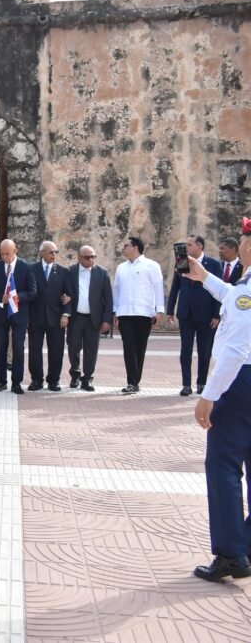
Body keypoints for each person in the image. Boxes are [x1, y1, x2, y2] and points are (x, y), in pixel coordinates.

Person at [185, 217, 251, 581]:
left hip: (240, 385)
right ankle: (246, 543)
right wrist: (205, 277)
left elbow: (236, 350)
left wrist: (209, 396)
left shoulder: (246, 290)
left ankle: (230, 553)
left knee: (223, 466)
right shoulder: (242, 289)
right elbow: (233, 298)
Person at [167, 234, 222, 396]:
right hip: (186, 312)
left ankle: (201, 383)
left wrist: (216, 315)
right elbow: (175, 287)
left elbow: (218, 290)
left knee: (204, 351)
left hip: (206, 314)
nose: (186, 248)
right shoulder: (182, 261)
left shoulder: (213, 264)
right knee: (185, 350)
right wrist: (170, 310)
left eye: (190, 245)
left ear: (200, 246)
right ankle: (186, 384)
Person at [0, 239, 38, 394]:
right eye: (2, 254)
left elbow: (33, 292)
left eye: (7, 253)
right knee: (0, 348)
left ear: (15, 251)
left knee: (18, 348)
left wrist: (16, 296)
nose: (4, 257)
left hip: (19, 315)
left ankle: (16, 383)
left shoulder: (26, 267)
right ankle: (1, 382)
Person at [113, 236, 164, 394]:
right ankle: (132, 382)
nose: (123, 248)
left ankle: (135, 380)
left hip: (144, 313)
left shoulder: (151, 265)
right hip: (125, 313)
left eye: (126, 246)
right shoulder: (121, 268)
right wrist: (115, 311)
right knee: (128, 347)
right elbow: (116, 290)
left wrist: (159, 310)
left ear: (135, 247)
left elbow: (158, 288)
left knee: (140, 348)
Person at [27, 241, 74, 392]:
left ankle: (53, 380)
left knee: (56, 351)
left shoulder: (63, 271)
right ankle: (36, 380)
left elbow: (68, 295)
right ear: (42, 253)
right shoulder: (31, 269)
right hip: (35, 317)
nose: (54, 255)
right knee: (34, 351)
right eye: (51, 252)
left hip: (56, 318)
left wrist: (65, 314)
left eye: (56, 252)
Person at [67, 245, 113, 391]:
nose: (91, 260)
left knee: (91, 349)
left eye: (93, 257)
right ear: (79, 258)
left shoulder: (102, 273)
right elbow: (65, 292)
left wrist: (107, 320)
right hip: (76, 317)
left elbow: (108, 298)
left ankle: (87, 379)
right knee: (73, 347)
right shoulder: (71, 272)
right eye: (87, 257)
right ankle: (75, 374)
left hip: (94, 318)